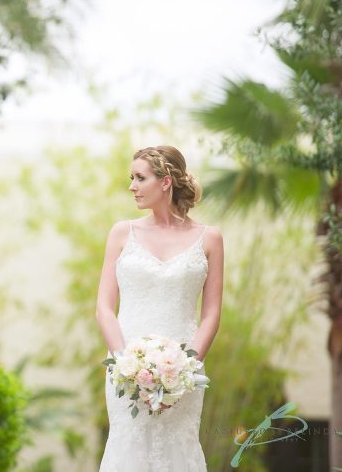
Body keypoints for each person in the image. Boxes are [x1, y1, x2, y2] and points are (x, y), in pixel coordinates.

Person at [95, 145, 224, 471]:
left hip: (185, 372)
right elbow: (104, 308)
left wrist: (187, 370)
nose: (132, 186)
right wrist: (127, 366)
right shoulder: (122, 233)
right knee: (129, 448)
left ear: (165, 181)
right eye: (132, 178)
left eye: (140, 178)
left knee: (178, 451)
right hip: (126, 369)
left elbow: (211, 315)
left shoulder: (210, 239)